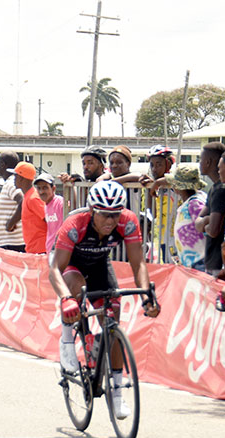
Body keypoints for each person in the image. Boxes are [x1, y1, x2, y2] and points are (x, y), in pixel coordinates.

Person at [49, 181, 160, 418]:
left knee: (113, 325)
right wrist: (66, 299)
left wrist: (146, 295)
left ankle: (117, 394)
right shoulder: (74, 225)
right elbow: (54, 269)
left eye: (114, 215)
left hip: (100, 265)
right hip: (71, 264)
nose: (110, 221)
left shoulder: (128, 222)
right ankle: (67, 340)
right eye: (104, 215)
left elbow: (138, 262)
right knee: (76, 290)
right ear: (91, 211)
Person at [194, 142, 225, 277]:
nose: (199, 163)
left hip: (219, 264)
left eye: (201, 160)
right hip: (212, 260)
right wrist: (206, 221)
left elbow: (214, 231)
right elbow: (198, 222)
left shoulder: (222, 190)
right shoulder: (214, 188)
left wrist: (205, 223)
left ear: (208, 162)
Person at [164, 165, 207, 268]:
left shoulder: (194, 204)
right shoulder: (191, 202)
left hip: (199, 262)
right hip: (192, 261)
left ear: (177, 188)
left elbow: (204, 229)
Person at [6, 162, 47, 254]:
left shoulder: (33, 198)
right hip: (35, 249)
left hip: (40, 250)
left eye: (15, 176)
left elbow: (48, 219)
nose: (14, 179)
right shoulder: (29, 196)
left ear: (21, 178)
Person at [0, 151, 26, 252]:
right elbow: (1, 203)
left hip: (13, 243)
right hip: (9, 242)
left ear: (2, 165)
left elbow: (23, 201)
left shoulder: (12, 182)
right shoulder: (10, 182)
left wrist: (11, 223)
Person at [33, 172, 64, 252]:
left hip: (60, 252)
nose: (41, 192)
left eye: (45, 188)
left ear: (53, 189)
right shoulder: (46, 206)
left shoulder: (60, 203)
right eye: (39, 188)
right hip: (50, 253)